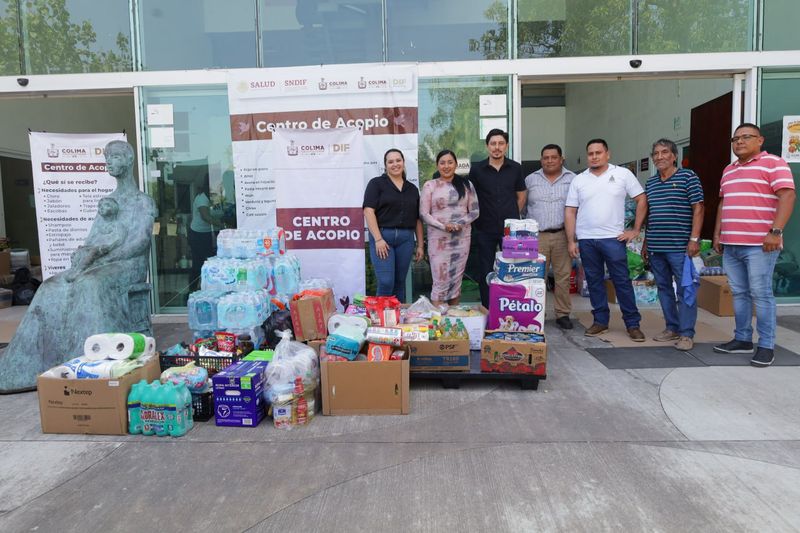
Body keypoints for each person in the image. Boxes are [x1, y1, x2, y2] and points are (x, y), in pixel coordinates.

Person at [0, 140, 156, 392]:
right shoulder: (107, 202)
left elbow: (140, 242)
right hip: (101, 263)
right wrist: (85, 255)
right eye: (107, 157)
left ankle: (89, 364)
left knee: (91, 285)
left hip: (129, 264)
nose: (109, 161)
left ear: (128, 161)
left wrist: (105, 257)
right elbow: (93, 239)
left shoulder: (143, 201)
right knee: (51, 286)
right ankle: (33, 364)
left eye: (115, 156)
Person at [712, 123, 796, 367]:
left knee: (761, 294)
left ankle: (766, 345)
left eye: (746, 137)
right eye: (735, 138)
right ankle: (742, 339)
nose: (739, 142)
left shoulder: (774, 163)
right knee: (739, 293)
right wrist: (718, 234)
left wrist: (776, 232)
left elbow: (788, 196)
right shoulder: (728, 170)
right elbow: (723, 203)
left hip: (760, 245)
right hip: (732, 244)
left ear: (759, 140)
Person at [565, 138, 647, 341]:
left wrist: (635, 229)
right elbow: (570, 211)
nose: (594, 157)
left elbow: (641, 198)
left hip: (613, 239)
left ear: (607, 154)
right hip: (587, 240)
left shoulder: (622, 174)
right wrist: (571, 240)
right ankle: (600, 321)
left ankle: (632, 324)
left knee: (622, 281)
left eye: (598, 153)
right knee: (594, 282)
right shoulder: (579, 179)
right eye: (590, 153)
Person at [642, 139, 704, 351]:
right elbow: (650, 216)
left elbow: (698, 208)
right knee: (664, 289)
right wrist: (645, 244)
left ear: (674, 156)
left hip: (680, 247)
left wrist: (694, 239)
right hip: (656, 247)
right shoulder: (650, 183)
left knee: (685, 290)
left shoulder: (688, 177)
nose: (660, 157)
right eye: (656, 153)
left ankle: (687, 334)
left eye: (665, 152)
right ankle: (672, 328)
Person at [468, 129, 526, 308]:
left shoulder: (515, 168)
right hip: (484, 228)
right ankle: (487, 307)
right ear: (487, 146)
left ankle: (510, 306)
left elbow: (521, 196)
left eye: (501, 143)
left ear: (506, 146)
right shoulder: (477, 169)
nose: (497, 147)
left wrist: (512, 217)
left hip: (510, 230)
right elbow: (470, 198)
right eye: (493, 144)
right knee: (486, 270)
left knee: (512, 269)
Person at [525, 144, 576, 329]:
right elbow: (522, 206)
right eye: (546, 157)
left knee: (562, 277)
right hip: (537, 236)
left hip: (563, 235)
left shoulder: (572, 179)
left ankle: (562, 314)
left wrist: (574, 238)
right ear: (541, 160)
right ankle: (536, 313)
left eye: (554, 157)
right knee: (536, 278)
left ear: (561, 159)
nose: (549, 161)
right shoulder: (530, 180)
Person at [363, 148, 424, 302]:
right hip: (383, 238)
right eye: (391, 161)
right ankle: (380, 320)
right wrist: (378, 239)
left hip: (406, 240)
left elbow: (417, 219)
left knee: (399, 283)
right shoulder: (376, 184)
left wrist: (421, 245)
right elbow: (368, 211)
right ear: (385, 165)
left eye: (398, 160)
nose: (395, 164)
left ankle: (398, 321)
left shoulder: (412, 189)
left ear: (403, 162)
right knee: (386, 282)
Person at [420, 150, 480, 305]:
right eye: (442, 163)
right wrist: (443, 226)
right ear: (437, 165)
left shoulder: (467, 185)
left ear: (456, 164)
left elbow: (474, 211)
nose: (446, 166)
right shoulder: (430, 185)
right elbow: (424, 214)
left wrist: (459, 224)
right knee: (440, 282)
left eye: (450, 162)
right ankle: (438, 323)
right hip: (438, 241)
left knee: (456, 281)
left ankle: (452, 322)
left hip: (461, 240)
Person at [65, 197, 126, 282]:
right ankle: (74, 269)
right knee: (80, 251)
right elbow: (94, 239)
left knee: (93, 251)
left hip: (106, 249)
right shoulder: (99, 226)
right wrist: (85, 247)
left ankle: (79, 271)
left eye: (105, 205)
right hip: (96, 247)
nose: (100, 207)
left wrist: (110, 247)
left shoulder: (118, 225)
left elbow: (120, 239)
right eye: (99, 206)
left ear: (113, 208)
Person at [188, 178, 221, 291]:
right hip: (197, 234)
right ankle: (191, 290)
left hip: (206, 233)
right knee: (198, 263)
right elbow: (205, 216)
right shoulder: (202, 198)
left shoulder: (212, 197)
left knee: (210, 261)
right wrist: (222, 224)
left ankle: (208, 288)